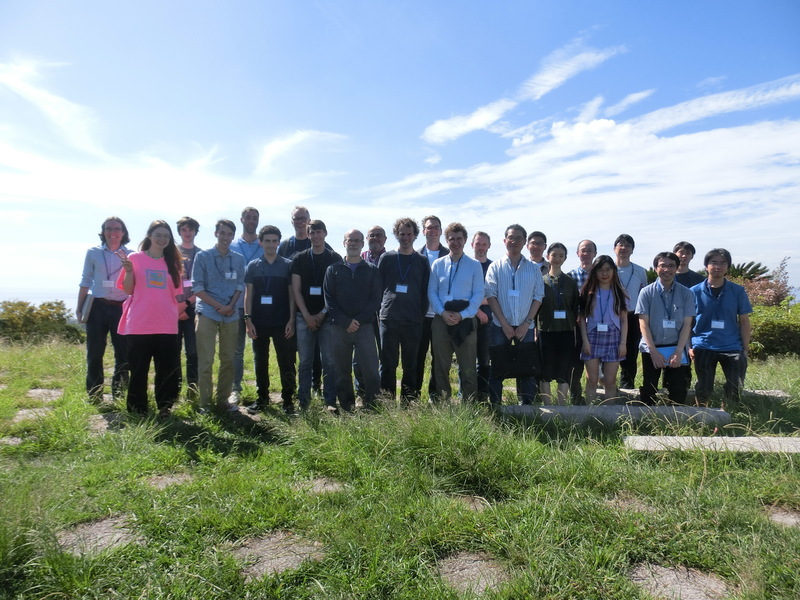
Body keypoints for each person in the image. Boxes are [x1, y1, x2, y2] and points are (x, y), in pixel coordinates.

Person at [116, 220, 186, 416]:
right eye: (158, 234)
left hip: (167, 324)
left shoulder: (173, 263)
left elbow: (175, 294)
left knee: (166, 370)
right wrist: (129, 271)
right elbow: (128, 289)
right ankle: (138, 409)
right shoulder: (135, 259)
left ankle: (165, 407)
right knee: (138, 371)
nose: (162, 239)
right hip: (139, 324)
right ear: (149, 236)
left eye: (166, 235)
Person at [323, 230, 382, 412]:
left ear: (362, 244)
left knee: (371, 368)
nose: (354, 244)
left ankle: (372, 405)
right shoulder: (333, 270)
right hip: (340, 328)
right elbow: (329, 299)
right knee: (342, 369)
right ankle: (347, 405)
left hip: (364, 327)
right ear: (344, 242)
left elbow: (376, 299)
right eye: (350, 240)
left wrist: (358, 320)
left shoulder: (372, 270)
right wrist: (345, 321)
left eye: (357, 241)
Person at [485, 225, 543, 406]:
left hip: (526, 326)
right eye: (511, 238)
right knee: (497, 368)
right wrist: (504, 324)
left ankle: (526, 406)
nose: (514, 241)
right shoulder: (495, 267)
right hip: (500, 326)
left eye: (519, 238)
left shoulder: (533, 268)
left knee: (527, 369)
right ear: (504, 241)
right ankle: (495, 406)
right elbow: (491, 295)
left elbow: (538, 297)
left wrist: (527, 323)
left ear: (524, 242)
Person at [192, 219, 245, 413]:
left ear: (233, 236)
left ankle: (223, 400)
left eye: (229, 234)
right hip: (207, 312)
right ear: (216, 234)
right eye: (222, 233)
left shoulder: (238, 259)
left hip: (231, 314)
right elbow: (197, 287)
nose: (225, 237)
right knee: (206, 360)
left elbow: (240, 285)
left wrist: (230, 306)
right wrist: (219, 306)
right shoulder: (203, 256)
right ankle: (204, 403)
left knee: (229, 359)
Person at [427, 222, 484, 403]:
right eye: (452, 239)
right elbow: (432, 292)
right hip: (441, 319)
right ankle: (443, 402)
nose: (456, 242)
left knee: (467, 366)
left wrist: (463, 315)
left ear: (465, 240)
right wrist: (443, 313)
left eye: (459, 239)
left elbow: (478, 294)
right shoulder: (438, 264)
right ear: (447, 240)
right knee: (441, 365)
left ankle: (469, 404)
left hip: (465, 320)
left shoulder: (474, 265)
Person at [690, 248, 752, 409]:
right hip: (703, 344)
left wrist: (745, 349)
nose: (718, 266)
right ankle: (702, 416)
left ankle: (728, 415)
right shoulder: (694, 292)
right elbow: (687, 322)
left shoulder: (738, 291)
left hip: (731, 345)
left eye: (722, 263)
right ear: (706, 266)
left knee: (734, 386)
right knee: (704, 386)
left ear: (728, 267)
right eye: (714, 262)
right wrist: (689, 346)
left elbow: (744, 321)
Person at [244, 225, 297, 415]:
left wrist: (292, 319)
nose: (271, 244)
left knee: (287, 361)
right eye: (267, 241)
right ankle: (262, 399)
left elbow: (292, 295)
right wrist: (248, 319)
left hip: (282, 321)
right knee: (260, 361)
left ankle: (288, 400)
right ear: (261, 242)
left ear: (278, 242)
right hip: (259, 322)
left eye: (275, 241)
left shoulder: (287, 264)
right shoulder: (253, 266)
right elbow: (249, 295)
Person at [377, 218, 430, 403]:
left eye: (409, 234)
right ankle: (387, 403)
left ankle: (409, 403)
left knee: (410, 365)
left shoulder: (422, 261)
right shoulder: (387, 258)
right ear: (396, 235)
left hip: (412, 321)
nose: (405, 237)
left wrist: (419, 315)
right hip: (389, 319)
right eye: (402, 234)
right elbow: (378, 287)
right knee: (388, 365)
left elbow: (425, 292)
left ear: (415, 235)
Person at [78, 216, 131, 401]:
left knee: (123, 354)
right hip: (97, 307)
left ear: (123, 233)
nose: (112, 232)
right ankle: (95, 395)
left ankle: (119, 394)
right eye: (108, 228)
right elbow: (85, 280)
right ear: (103, 232)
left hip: (122, 308)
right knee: (94, 353)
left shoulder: (131, 255)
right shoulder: (93, 253)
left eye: (117, 229)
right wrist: (79, 307)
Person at [291, 220, 342, 410]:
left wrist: (321, 314)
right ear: (308, 234)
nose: (316, 236)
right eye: (312, 232)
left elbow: (336, 291)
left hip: (327, 317)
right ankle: (303, 400)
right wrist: (306, 315)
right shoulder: (299, 258)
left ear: (326, 233)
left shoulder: (334, 258)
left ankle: (330, 400)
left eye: (319, 232)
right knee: (304, 361)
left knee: (329, 361)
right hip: (302, 316)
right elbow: (296, 290)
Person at [636, 252, 696, 405]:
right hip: (652, 347)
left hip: (676, 348)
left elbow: (687, 325)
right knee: (649, 389)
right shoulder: (646, 292)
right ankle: (647, 422)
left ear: (677, 268)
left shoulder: (686, 293)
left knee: (678, 390)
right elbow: (643, 324)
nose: (667, 270)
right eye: (663, 265)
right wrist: (654, 352)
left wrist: (678, 351)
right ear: (656, 268)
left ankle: (675, 422)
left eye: (671, 266)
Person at [578, 255, 629, 404]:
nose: (604, 274)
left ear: (614, 271)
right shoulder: (587, 292)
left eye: (608, 270)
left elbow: (624, 320)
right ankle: (590, 412)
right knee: (592, 380)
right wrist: (585, 341)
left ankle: (609, 414)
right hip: (592, 337)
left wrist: (623, 343)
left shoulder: (621, 293)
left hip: (614, 337)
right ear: (594, 272)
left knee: (610, 381)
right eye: (600, 270)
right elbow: (581, 319)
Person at [538, 243, 579, 405]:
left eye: (561, 256)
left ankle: (561, 406)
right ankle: (548, 406)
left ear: (565, 259)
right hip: (545, 331)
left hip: (566, 331)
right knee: (545, 370)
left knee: (564, 369)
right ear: (548, 257)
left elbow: (575, 308)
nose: (557, 258)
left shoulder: (570, 282)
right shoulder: (540, 281)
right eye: (554, 255)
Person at [414, 215, 449, 400]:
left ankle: (435, 396)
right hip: (420, 317)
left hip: (440, 315)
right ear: (423, 231)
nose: (432, 230)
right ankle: (414, 394)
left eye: (436, 227)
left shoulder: (449, 255)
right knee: (417, 357)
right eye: (429, 227)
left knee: (439, 359)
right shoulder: (415, 255)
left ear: (441, 231)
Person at [230, 206, 261, 404]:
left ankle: (261, 388)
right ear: (241, 220)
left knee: (260, 349)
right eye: (248, 217)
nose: (251, 221)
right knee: (237, 350)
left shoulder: (264, 244)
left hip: (259, 306)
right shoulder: (232, 245)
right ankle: (235, 389)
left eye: (255, 218)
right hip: (236, 304)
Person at [614, 234, 648, 389]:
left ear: (632, 250)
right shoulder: (607, 269)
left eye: (628, 245)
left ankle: (627, 386)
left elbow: (644, 294)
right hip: (610, 317)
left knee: (630, 353)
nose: (624, 248)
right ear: (614, 248)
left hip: (632, 316)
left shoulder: (640, 271)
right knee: (608, 351)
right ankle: (606, 385)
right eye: (620, 244)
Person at [568, 239, 597, 404]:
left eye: (589, 250)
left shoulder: (602, 275)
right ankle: (577, 397)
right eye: (583, 250)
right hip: (577, 327)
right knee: (576, 364)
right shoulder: (571, 276)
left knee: (597, 365)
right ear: (577, 253)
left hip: (598, 327)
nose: (586, 254)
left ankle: (595, 396)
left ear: (595, 254)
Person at [176, 216, 201, 397]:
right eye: (184, 230)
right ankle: (174, 391)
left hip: (192, 307)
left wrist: (186, 304)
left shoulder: (201, 255)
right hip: (172, 307)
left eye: (190, 230)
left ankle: (193, 391)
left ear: (195, 232)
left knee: (193, 352)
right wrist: (178, 307)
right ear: (179, 232)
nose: (187, 233)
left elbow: (202, 284)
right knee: (173, 352)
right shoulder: (171, 253)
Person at [471, 231, 493, 401]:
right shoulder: (466, 265)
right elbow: (463, 294)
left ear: (489, 246)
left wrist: (478, 302)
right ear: (472, 245)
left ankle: (482, 395)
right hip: (469, 318)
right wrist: (477, 309)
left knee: (484, 361)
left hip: (489, 321)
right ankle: (467, 394)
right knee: (467, 360)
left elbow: (496, 295)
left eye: (484, 244)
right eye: (478, 244)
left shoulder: (493, 267)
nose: (481, 247)